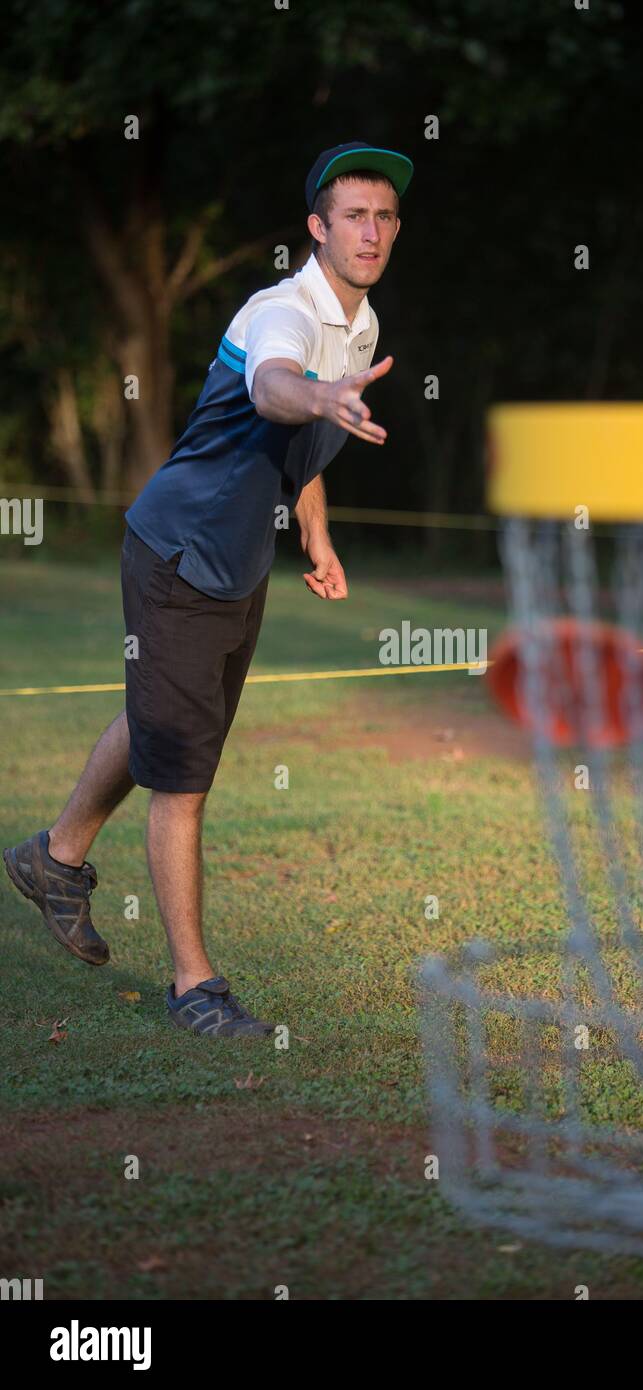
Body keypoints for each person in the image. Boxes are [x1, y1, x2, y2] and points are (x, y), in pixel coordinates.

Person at [3, 140, 412, 1038]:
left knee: (166, 718)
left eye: (384, 214)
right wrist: (321, 394)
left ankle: (55, 857)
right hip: (180, 552)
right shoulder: (285, 311)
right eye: (354, 214)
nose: (372, 230)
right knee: (184, 776)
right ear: (317, 228)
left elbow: (303, 448)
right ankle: (195, 987)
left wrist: (317, 532)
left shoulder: (363, 326)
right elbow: (275, 391)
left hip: (237, 564)